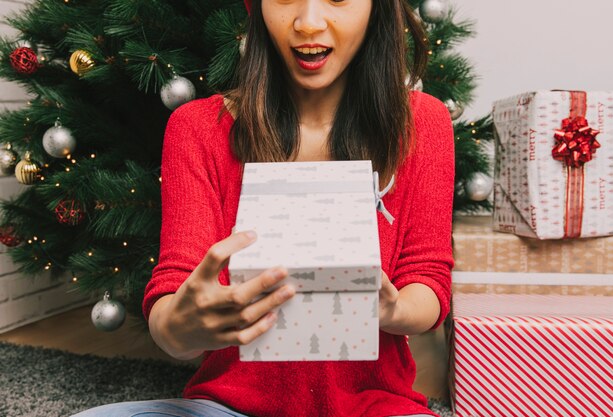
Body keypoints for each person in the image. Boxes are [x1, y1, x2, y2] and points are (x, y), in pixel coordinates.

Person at [72, 0, 454, 416]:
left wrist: (392, 308)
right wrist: (180, 325)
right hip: (229, 408)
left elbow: (429, 280)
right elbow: (171, 303)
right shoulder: (198, 128)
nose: (308, 23)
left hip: (374, 408)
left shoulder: (421, 123)